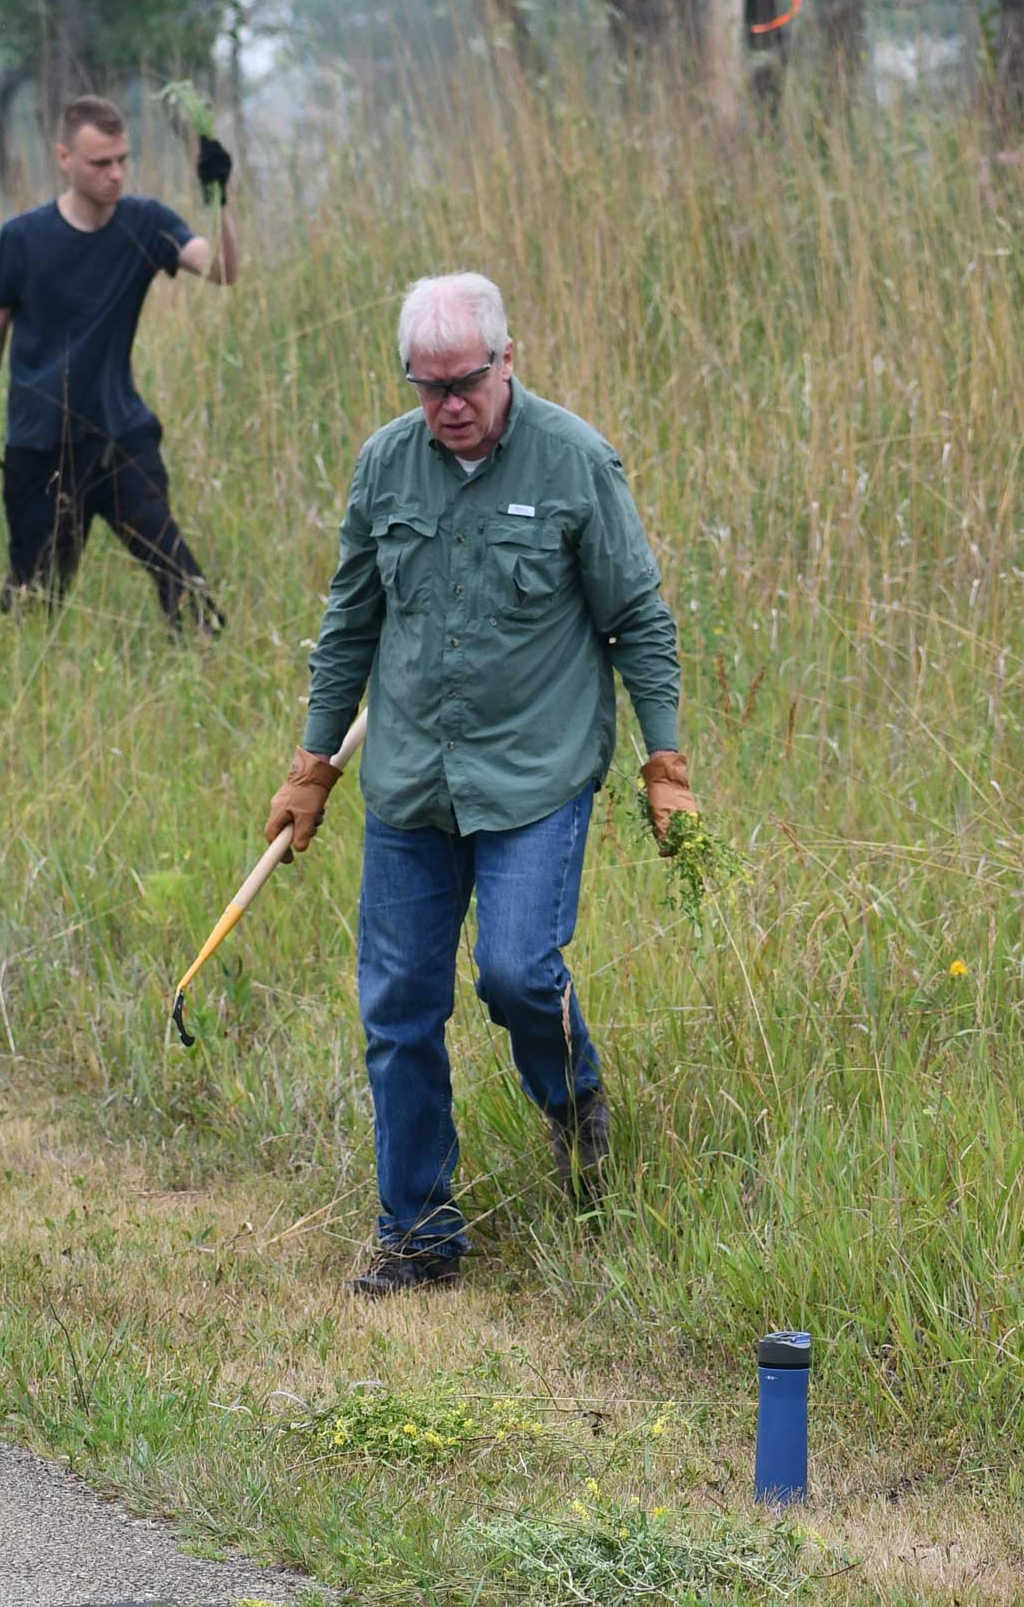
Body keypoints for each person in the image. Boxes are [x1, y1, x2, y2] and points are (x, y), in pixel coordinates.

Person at [265, 273, 701, 1298]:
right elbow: (348, 626)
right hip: (414, 778)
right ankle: (417, 1235)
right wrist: (313, 764)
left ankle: (575, 1106)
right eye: (427, 387)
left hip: (536, 773)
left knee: (515, 973)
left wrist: (665, 762)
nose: (448, 404)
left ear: (509, 361)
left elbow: (638, 620)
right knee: (399, 1004)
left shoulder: (575, 464)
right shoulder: (386, 467)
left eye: (465, 381)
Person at [0, 94, 236, 635]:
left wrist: (217, 195)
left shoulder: (146, 223)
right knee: (35, 599)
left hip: (122, 439)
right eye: (101, 163)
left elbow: (220, 270)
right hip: (40, 446)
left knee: (183, 583)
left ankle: (201, 664)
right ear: (64, 158)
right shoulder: (22, 239)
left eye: (123, 159)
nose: (116, 174)